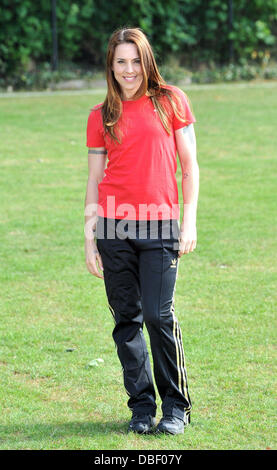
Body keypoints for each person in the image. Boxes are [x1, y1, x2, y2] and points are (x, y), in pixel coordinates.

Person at [84, 27, 199, 435]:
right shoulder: (101, 116)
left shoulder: (171, 101)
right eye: (121, 62)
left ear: (147, 61)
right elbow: (96, 177)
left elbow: (189, 167)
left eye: (136, 61)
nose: (128, 70)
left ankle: (176, 407)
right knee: (126, 319)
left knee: (157, 313)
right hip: (114, 226)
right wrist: (89, 234)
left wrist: (190, 221)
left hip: (161, 223)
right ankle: (141, 407)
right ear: (110, 66)